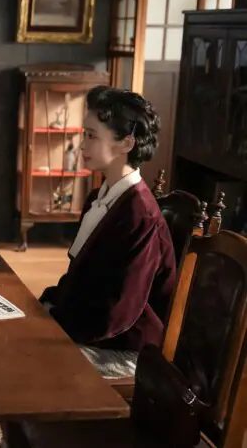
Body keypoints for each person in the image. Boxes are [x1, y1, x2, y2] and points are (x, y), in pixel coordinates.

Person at [39, 86, 176, 378]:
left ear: (126, 143)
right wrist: (48, 305)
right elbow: (79, 279)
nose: (82, 145)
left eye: (91, 135)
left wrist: (57, 322)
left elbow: (117, 315)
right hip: (90, 330)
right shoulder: (99, 198)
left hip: (128, 348)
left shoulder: (140, 216)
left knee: (34, 360)